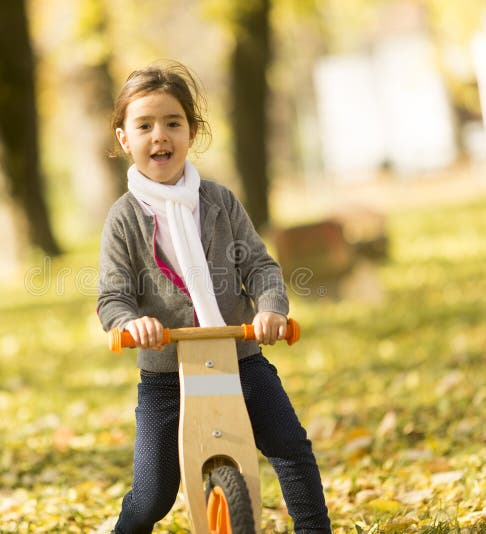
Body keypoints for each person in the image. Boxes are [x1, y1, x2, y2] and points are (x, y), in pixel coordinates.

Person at [97, 60, 331, 534]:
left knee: (290, 446)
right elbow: (113, 295)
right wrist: (129, 324)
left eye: (172, 123)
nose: (159, 135)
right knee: (152, 496)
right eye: (144, 125)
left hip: (238, 355)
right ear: (125, 139)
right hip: (166, 374)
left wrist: (270, 309)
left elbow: (261, 267)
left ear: (191, 131)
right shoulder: (124, 219)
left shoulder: (219, 202)